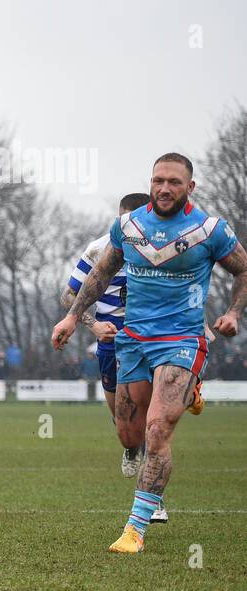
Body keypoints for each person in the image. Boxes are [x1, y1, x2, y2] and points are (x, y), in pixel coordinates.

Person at [53, 153, 246, 554]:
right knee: (129, 432)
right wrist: (74, 319)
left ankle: (134, 529)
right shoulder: (128, 225)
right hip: (132, 340)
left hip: (181, 340)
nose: (164, 188)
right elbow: (102, 272)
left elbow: (243, 268)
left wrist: (232, 311)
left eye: (174, 182)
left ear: (189, 187)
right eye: (158, 180)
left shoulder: (209, 230)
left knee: (157, 429)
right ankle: (187, 391)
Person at [61, 192, 153, 482]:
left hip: (150, 336)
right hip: (110, 338)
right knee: (121, 416)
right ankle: (130, 445)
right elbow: (69, 295)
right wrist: (94, 326)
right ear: (119, 219)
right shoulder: (99, 248)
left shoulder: (164, 247)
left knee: (153, 414)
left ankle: (153, 485)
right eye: (126, 222)